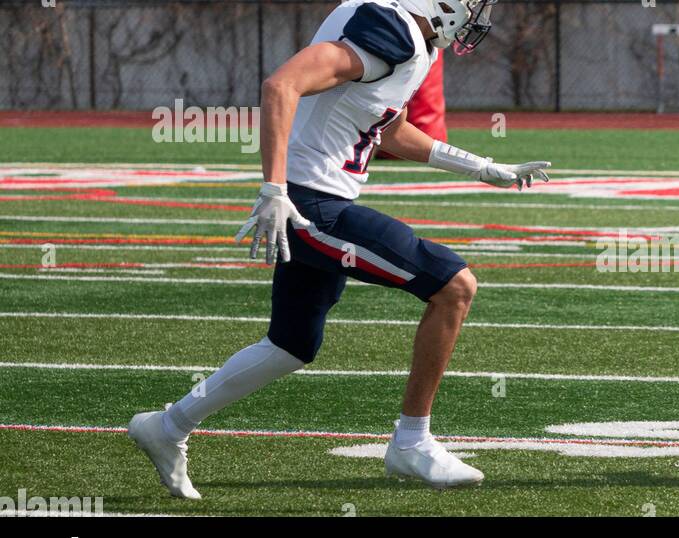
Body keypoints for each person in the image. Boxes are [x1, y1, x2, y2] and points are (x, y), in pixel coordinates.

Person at [128, 0, 550, 498]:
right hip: (311, 206)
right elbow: (281, 85)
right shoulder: (392, 30)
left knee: (290, 345)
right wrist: (274, 188)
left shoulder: (409, 43)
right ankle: (411, 441)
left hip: (317, 198)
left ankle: (167, 426)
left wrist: (481, 167)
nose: (480, 14)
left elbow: (385, 127)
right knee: (454, 286)